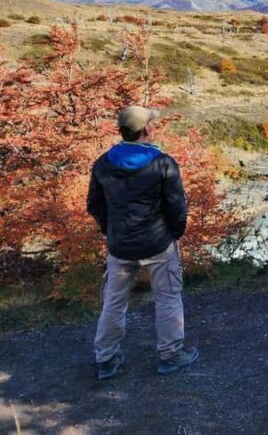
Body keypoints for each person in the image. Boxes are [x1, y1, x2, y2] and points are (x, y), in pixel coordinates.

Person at [87, 106, 199, 380]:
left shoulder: (103, 164)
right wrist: (175, 233)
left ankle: (106, 359)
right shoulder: (163, 163)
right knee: (168, 298)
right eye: (152, 122)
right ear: (146, 129)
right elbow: (176, 206)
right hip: (158, 244)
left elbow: (94, 205)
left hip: (120, 246)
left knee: (113, 302)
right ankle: (171, 355)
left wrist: (110, 231)